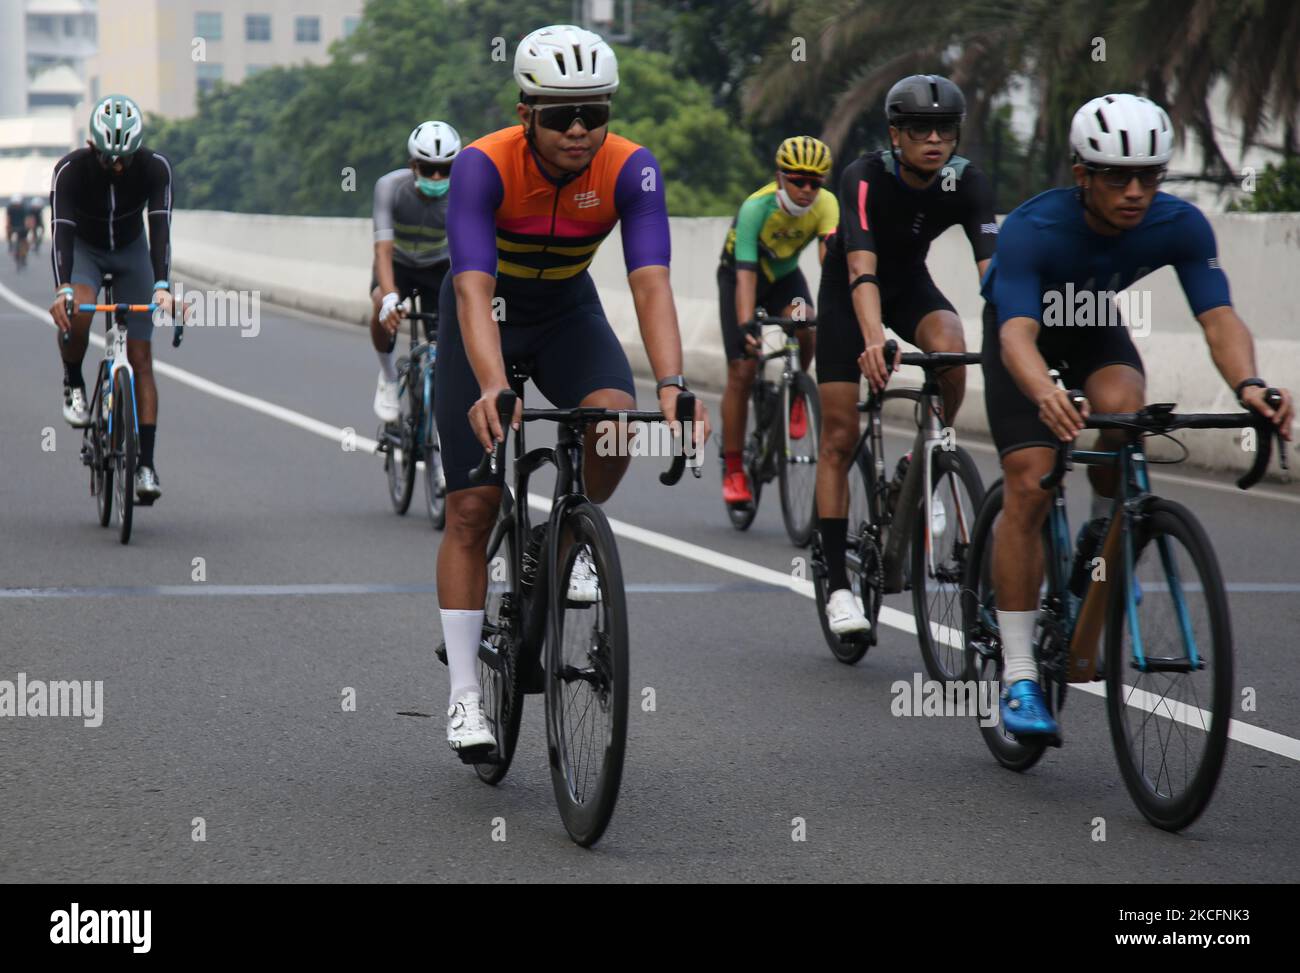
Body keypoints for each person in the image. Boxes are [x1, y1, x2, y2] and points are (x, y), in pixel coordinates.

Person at [434, 24, 709, 757]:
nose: (580, 129)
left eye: (595, 112)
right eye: (561, 115)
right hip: (486, 315)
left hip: (564, 311)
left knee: (614, 422)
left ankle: (565, 530)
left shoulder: (630, 169)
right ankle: (465, 695)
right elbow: (470, 287)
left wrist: (674, 384)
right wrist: (493, 385)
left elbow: (650, 282)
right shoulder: (481, 166)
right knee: (472, 505)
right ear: (527, 113)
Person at [981, 92, 1294, 737]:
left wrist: (1251, 384)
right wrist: (1044, 392)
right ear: (1081, 175)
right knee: (1031, 480)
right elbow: (1015, 337)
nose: (1135, 192)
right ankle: (1015, 676)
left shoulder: (1179, 224)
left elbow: (1217, 316)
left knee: (1126, 413)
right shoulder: (1032, 229)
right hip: (1026, 339)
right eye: (1118, 177)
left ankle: (1103, 534)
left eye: (1149, 176)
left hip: (1095, 327)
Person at [815, 74, 997, 635]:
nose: (935, 139)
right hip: (852, 294)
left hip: (910, 285)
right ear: (896, 134)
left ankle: (928, 461)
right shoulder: (865, 177)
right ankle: (838, 588)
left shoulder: (967, 182)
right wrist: (874, 339)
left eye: (945, 128)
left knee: (951, 344)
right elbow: (860, 268)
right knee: (841, 435)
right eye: (920, 129)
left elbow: (995, 277)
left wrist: (1019, 342)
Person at [48, 94, 174, 503]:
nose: (118, 167)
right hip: (85, 248)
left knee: (141, 360)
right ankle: (74, 382)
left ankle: (146, 466)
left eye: (126, 158)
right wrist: (63, 288)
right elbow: (61, 232)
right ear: (92, 148)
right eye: (109, 158)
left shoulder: (155, 169)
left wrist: (162, 286)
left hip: (131, 250)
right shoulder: (69, 171)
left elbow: (160, 229)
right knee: (77, 312)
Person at [717, 136, 838, 507]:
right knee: (742, 368)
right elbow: (747, 273)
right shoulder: (757, 207)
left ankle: (798, 390)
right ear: (780, 177)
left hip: (786, 281)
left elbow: (830, 263)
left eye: (815, 183)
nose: (806, 190)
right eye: (798, 180)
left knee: (807, 321)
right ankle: (734, 467)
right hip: (742, 278)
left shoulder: (827, 205)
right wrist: (745, 327)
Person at [370, 120, 460, 423]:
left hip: (438, 265)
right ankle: (388, 376)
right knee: (381, 305)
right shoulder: (390, 187)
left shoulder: (462, 193)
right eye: (427, 167)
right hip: (398, 263)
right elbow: (382, 249)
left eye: (445, 168)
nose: (437, 176)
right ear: (413, 165)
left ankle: (439, 399)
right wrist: (389, 298)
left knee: (448, 333)